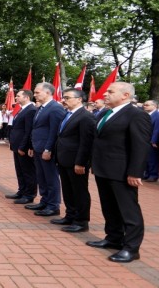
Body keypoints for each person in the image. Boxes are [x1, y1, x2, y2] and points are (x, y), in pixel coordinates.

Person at [86, 82, 151, 263]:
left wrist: (135, 172)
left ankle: (131, 248)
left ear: (125, 95)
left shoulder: (137, 115)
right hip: (103, 169)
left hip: (122, 172)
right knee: (110, 208)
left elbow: (140, 145)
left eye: (110, 91)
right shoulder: (106, 113)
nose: (105, 94)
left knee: (129, 211)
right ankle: (113, 238)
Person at [53, 89, 95, 233]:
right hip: (64, 159)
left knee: (79, 191)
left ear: (79, 99)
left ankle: (81, 221)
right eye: (63, 97)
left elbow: (86, 142)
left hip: (76, 161)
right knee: (68, 189)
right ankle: (70, 215)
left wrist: (81, 162)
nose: (64, 100)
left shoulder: (85, 117)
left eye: (67, 97)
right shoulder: (68, 114)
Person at [26, 82, 65, 217]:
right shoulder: (41, 108)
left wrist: (48, 149)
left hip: (47, 150)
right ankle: (45, 200)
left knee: (50, 177)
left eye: (37, 92)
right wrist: (32, 146)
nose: (35, 95)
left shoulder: (55, 108)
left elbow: (54, 132)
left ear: (48, 93)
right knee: (41, 176)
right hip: (38, 147)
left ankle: (53, 205)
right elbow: (37, 128)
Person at [6, 90, 37, 204]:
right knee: (19, 170)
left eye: (18, 96)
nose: (16, 98)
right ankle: (22, 191)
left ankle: (29, 194)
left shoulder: (31, 110)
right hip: (17, 145)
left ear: (26, 97)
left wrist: (23, 146)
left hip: (22, 146)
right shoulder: (22, 109)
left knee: (28, 171)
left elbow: (28, 131)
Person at [142, 100, 159, 182]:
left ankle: (153, 175)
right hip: (143, 141)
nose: (144, 106)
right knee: (145, 158)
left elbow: (158, 130)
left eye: (147, 105)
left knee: (152, 159)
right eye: (144, 105)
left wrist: (154, 141)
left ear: (154, 106)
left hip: (152, 141)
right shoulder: (144, 115)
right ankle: (147, 173)